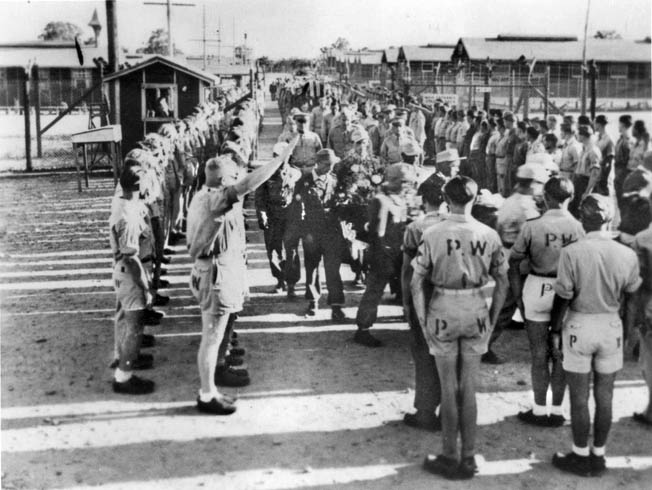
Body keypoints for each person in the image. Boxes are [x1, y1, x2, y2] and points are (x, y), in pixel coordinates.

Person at [187, 139, 298, 414]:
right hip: (215, 274)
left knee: (216, 334)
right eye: (233, 177)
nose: (238, 180)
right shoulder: (217, 200)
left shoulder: (203, 194)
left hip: (215, 269)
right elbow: (249, 184)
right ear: (223, 180)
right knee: (211, 337)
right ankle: (206, 394)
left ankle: (215, 379)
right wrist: (280, 158)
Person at [412, 176, 509, 480]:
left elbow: (416, 282)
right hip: (476, 307)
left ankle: (448, 455)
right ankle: (469, 456)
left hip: (443, 306)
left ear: (445, 197)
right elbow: (503, 280)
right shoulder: (489, 234)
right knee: (469, 388)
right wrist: (492, 318)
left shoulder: (432, 233)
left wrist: (423, 319)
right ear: (474, 198)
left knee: (448, 388)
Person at [550, 194, 641, 477]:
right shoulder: (626, 254)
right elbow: (632, 298)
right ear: (609, 219)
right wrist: (629, 330)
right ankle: (598, 454)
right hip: (611, 325)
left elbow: (563, 296)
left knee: (578, 398)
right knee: (605, 396)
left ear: (582, 218)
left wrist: (555, 329)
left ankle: (579, 454)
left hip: (579, 324)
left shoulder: (572, 252)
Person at [509, 177, 585, 427]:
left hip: (537, 285)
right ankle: (557, 410)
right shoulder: (577, 227)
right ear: (570, 198)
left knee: (538, 354)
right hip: (566, 291)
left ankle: (539, 409)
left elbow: (514, 262)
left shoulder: (533, 226)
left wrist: (518, 294)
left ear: (546, 197)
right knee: (561, 354)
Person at [401, 173, 447, 431]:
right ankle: (450, 409)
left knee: (423, 352)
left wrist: (407, 302)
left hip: (425, 295)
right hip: (453, 296)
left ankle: (425, 410)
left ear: (423, 198)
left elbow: (408, 271)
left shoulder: (416, 228)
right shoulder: (459, 225)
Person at [490, 163, 548, 364]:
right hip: (519, 260)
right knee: (507, 306)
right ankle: (484, 345)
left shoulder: (510, 201)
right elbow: (533, 237)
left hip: (507, 254)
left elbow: (497, 227)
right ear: (531, 184)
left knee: (509, 304)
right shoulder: (525, 207)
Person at [354, 163, 416, 347]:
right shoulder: (381, 200)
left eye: (408, 182)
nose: (407, 186)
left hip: (400, 253)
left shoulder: (402, 199)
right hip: (384, 254)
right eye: (403, 182)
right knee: (374, 291)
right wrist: (382, 256)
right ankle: (363, 329)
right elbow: (377, 233)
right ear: (393, 181)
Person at [110, 159, 156, 395]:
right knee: (135, 326)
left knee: (127, 322)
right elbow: (131, 257)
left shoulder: (121, 205)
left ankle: (123, 363)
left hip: (121, 271)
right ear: (140, 185)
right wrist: (145, 287)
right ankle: (123, 377)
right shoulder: (127, 215)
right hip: (130, 274)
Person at [284, 148, 347, 320]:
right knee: (312, 268)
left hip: (331, 232)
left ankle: (336, 306)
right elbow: (296, 209)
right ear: (317, 163)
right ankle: (313, 302)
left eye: (332, 165)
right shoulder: (303, 181)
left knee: (333, 269)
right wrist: (300, 232)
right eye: (327, 165)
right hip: (311, 232)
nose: (330, 168)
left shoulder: (334, 180)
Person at [254, 142, 301, 293]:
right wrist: (262, 215)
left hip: (290, 216)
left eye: (285, 157)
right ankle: (280, 280)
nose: (281, 160)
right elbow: (259, 197)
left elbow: (301, 197)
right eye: (278, 157)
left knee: (291, 249)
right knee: (274, 250)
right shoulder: (265, 173)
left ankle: (292, 282)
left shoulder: (295, 173)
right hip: (273, 216)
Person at [632, 209, 652, 426]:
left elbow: (638, 279)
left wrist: (636, 312)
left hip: (650, 302)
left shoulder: (644, 239)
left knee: (650, 360)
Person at [569, 125, 602, 218]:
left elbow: (595, 173)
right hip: (578, 182)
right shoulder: (583, 149)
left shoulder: (593, 151)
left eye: (578, 134)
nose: (576, 136)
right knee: (574, 209)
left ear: (583, 136)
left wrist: (588, 191)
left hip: (585, 182)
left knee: (583, 210)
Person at [614, 115, 634, 201]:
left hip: (623, 176)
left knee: (623, 203)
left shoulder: (627, 141)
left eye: (619, 124)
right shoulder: (621, 139)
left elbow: (629, 160)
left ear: (623, 125)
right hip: (619, 175)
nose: (618, 126)